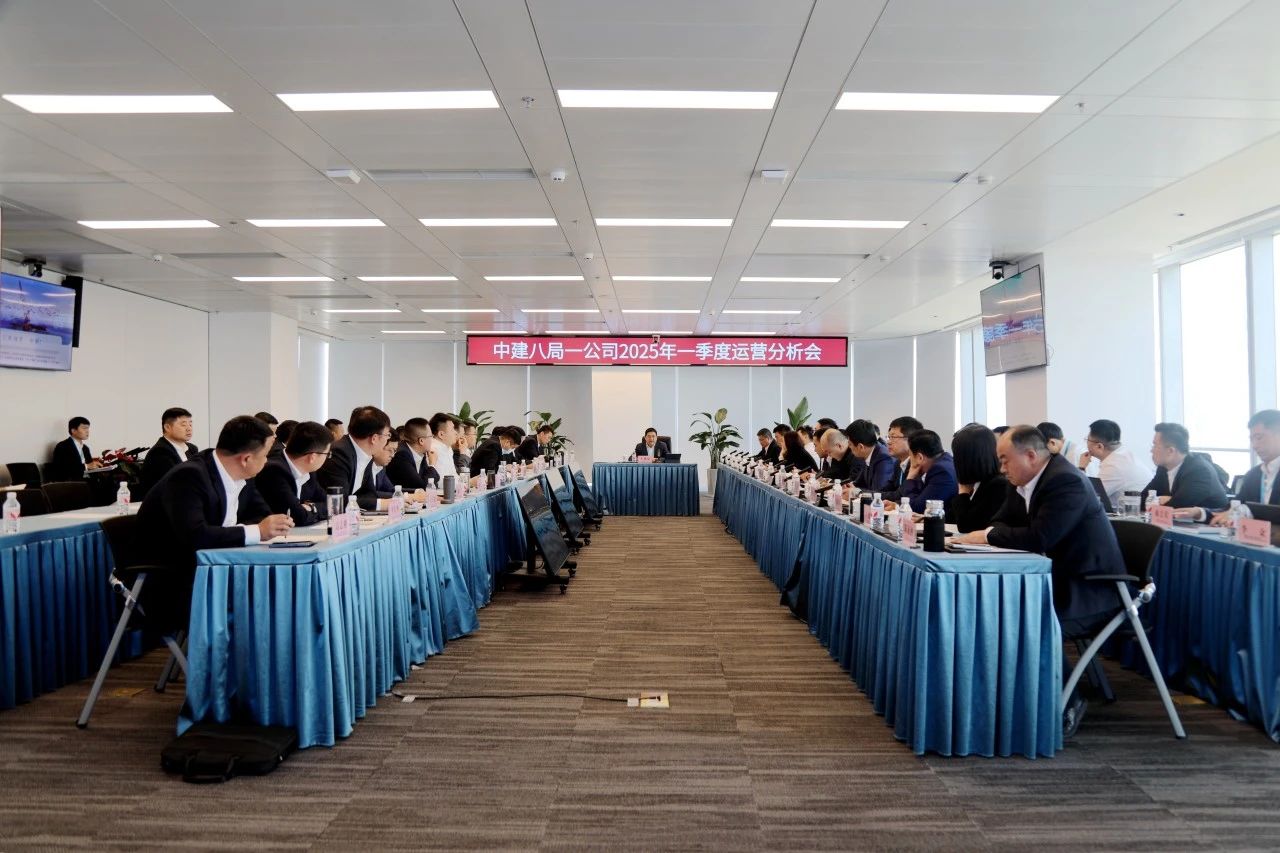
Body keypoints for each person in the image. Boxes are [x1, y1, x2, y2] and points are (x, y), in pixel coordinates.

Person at [954, 425, 1125, 738]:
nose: (1001, 468)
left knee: (1025, 619)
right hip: (1054, 581)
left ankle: (1068, 701)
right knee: (999, 610)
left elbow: (1040, 537)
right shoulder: (1022, 481)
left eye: (1005, 460)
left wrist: (990, 536)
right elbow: (1000, 521)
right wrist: (993, 532)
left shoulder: (1065, 481)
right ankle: (1008, 700)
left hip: (1088, 589)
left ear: (1031, 455)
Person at [134, 415, 293, 628]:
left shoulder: (243, 476)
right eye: (265, 456)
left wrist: (264, 526)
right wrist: (257, 532)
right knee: (268, 600)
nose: (266, 462)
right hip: (172, 577)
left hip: (214, 567)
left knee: (279, 592)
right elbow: (195, 536)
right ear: (245, 459)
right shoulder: (190, 476)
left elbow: (261, 515)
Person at [1187, 410, 1280, 525]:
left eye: (1259, 438)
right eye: (1251, 439)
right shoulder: (1254, 474)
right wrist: (1200, 513)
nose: (1254, 445)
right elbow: (1231, 510)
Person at [255, 420, 333, 526]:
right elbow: (298, 516)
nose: (327, 458)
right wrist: (313, 509)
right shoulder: (274, 471)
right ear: (312, 457)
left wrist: (311, 508)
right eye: (327, 454)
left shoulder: (309, 472)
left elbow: (331, 504)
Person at [317, 405, 394, 511]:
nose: (387, 440)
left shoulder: (366, 454)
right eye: (387, 435)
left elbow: (368, 494)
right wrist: (382, 504)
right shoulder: (339, 453)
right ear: (374, 438)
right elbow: (340, 500)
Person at [1143, 422, 1228, 511]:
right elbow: (1143, 499)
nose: (1151, 450)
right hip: (1180, 519)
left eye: (1155, 445)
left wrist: (1161, 500)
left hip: (1211, 519)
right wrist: (1160, 500)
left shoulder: (1199, 471)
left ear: (1170, 451)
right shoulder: (1163, 468)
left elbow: (1177, 506)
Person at [947, 424, 1011, 533]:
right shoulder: (978, 482)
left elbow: (966, 526)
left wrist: (963, 493)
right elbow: (951, 518)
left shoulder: (998, 486)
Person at [1078, 419, 1152, 509]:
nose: (1086, 443)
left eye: (1087, 439)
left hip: (1131, 515)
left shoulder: (1114, 466)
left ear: (1099, 446)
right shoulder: (1123, 454)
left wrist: (1081, 468)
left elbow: (1086, 497)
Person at [887, 430, 958, 513]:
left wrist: (910, 478)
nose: (910, 460)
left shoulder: (941, 472)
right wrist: (897, 505)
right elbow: (920, 498)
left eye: (910, 455)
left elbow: (917, 508)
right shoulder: (944, 460)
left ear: (920, 458)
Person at [137, 407, 199, 499]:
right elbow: (174, 483)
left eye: (190, 424)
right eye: (183, 425)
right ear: (167, 427)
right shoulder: (159, 452)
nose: (189, 428)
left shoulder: (192, 449)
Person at [386, 417, 440, 490]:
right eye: (431, 436)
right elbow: (424, 486)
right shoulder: (401, 455)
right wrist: (432, 465)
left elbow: (433, 483)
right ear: (421, 441)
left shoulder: (422, 454)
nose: (432, 439)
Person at [49, 416, 104, 482]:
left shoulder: (85, 448)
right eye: (84, 428)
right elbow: (63, 469)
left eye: (88, 428)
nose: (87, 431)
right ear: (73, 431)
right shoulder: (63, 446)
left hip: (88, 481)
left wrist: (100, 467)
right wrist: (86, 466)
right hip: (72, 482)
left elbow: (91, 467)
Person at [847, 419, 894, 492]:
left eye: (850, 444)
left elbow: (878, 492)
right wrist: (848, 486)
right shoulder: (868, 454)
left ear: (861, 447)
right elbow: (859, 483)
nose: (849, 447)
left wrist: (855, 491)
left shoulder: (884, 458)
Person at [883, 416, 923, 493]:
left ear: (911, 440)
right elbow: (886, 491)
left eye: (893, 437)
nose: (888, 442)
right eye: (889, 437)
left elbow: (902, 495)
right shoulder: (898, 463)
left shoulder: (918, 465)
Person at [428, 412, 462, 478]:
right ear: (441, 434)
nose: (456, 433)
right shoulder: (433, 450)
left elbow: (454, 475)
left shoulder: (448, 449)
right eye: (452, 429)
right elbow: (441, 481)